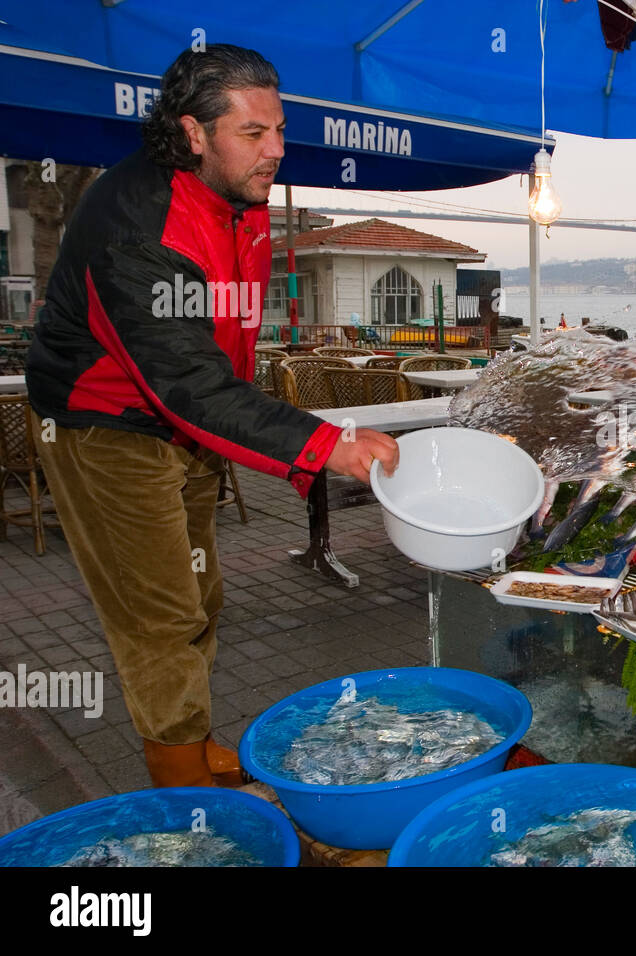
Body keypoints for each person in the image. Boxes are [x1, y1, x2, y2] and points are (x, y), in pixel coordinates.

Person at [25, 45, 399, 788]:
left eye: (280, 130)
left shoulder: (241, 198)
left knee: (202, 593)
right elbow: (186, 383)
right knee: (159, 612)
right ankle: (179, 778)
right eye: (254, 134)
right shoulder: (135, 226)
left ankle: (192, 744)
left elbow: (214, 358)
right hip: (109, 424)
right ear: (193, 133)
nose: (277, 152)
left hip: (187, 419)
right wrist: (327, 441)